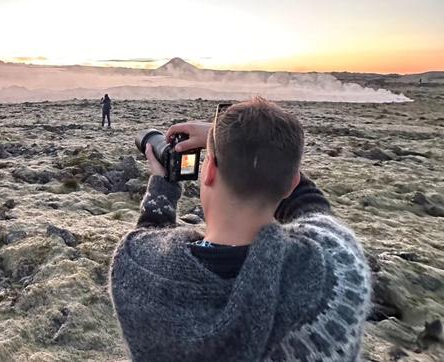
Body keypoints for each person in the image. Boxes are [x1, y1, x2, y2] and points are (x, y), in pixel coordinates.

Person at [110, 97, 371, 361]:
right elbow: (311, 205)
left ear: (209, 170)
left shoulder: (138, 268)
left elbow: (148, 242)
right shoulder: (340, 268)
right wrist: (228, 140)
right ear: (290, 183)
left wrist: (163, 184)